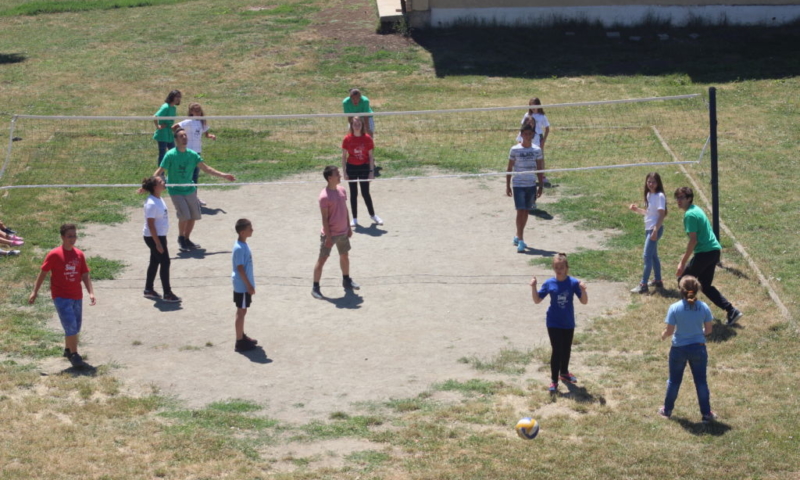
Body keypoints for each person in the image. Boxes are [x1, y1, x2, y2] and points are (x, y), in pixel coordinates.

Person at [153, 125, 235, 252]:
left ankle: (187, 239)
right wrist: (148, 186)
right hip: (176, 190)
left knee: (194, 215)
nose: (184, 137)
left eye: (185, 135)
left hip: (190, 189)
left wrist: (224, 175)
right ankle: (181, 238)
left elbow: (207, 169)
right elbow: (159, 172)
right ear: (176, 139)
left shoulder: (192, 155)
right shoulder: (170, 155)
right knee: (184, 215)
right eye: (181, 136)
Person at [28, 224, 96, 368]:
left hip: (76, 295)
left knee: (76, 326)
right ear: (62, 237)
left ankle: (67, 349)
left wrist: (90, 292)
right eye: (69, 236)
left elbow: (85, 274)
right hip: (61, 296)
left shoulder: (79, 254)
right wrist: (35, 291)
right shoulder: (54, 254)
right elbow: (43, 273)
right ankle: (75, 354)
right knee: (70, 325)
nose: (73, 239)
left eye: (74, 235)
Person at [674, 187, 743, 326]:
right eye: (677, 197)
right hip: (714, 251)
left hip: (705, 253)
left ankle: (690, 314)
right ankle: (731, 311)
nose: (678, 200)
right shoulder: (696, 209)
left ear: (689, 198)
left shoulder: (690, 215)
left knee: (683, 280)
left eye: (682, 197)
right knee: (705, 285)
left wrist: (682, 262)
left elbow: (693, 240)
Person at [658, 275, 717, 423]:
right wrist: (698, 333)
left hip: (678, 349)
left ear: (681, 290)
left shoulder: (674, 308)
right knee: (701, 382)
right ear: (697, 290)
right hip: (698, 348)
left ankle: (667, 410)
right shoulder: (704, 307)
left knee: (674, 381)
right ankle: (706, 414)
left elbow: (670, 331)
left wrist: (663, 335)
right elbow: (709, 330)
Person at [530, 253, 588, 393]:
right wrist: (533, 287)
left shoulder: (573, 283)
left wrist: (583, 290)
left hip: (568, 321)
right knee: (557, 350)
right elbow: (537, 300)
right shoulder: (549, 283)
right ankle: (554, 381)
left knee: (566, 348)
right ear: (553, 268)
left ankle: (564, 372)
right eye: (556, 267)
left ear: (566, 268)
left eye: (561, 267)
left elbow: (584, 301)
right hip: (553, 321)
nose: (559, 270)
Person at [312, 166, 359, 299]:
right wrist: (328, 237)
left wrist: (349, 227)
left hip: (343, 232)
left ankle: (346, 279)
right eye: (337, 174)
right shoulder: (324, 196)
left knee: (344, 255)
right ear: (330, 178)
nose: (340, 175)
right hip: (330, 234)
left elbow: (345, 209)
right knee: (322, 259)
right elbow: (324, 218)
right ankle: (315, 287)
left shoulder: (342, 190)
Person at [141, 176, 181, 303]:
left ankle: (148, 289)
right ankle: (167, 293)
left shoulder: (158, 198)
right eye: (160, 182)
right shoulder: (151, 204)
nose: (164, 182)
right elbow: (151, 225)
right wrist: (157, 243)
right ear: (155, 187)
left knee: (155, 262)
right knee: (165, 262)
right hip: (154, 237)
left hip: (159, 236)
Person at [506, 123, 544, 253]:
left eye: (530, 134)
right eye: (525, 134)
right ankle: (521, 240)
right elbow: (509, 168)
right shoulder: (514, 149)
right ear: (521, 135)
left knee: (526, 211)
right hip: (518, 185)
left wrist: (540, 185)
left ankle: (518, 236)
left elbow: (540, 168)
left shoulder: (537, 150)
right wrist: (507, 185)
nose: (528, 136)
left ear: (533, 135)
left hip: (531, 184)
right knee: (520, 211)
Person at [629, 172, 667, 294]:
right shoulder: (649, 195)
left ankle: (643, 285)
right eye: (649, 181)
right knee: (653, 256)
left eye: (653, 182)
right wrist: (637, 210)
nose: (651, 184)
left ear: (658, 183)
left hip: (654, 229)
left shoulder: (660, 196)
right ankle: (658, 280)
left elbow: (661, 215)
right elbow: (649, 213)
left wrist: (655, 230)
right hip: (649, 228)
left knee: (646, 256)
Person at [341, 116, 383, 228]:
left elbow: (371, 156)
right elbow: (344, 157)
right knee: (353, 193)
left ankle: (373, 215)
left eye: (359, 124)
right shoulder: (347, 139)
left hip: (364, 167)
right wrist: (344, 172)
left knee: (365, 193)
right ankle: (354, 218)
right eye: (355, 124)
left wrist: (371, 171)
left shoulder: (367, 138)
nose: (357, 126)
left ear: (362, 125)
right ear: (351, 125)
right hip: (351, 168)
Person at [178, 103, 216, 207]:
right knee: (187, 175)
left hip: (197, 152)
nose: (198, 112)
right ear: (191, 112)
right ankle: (185, 197)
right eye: (196, 111)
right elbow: (175, 127)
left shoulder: (201, 122)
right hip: (188, 152)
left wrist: (211, 136)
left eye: (199, 110)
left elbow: (206, 134)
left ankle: (194, 198)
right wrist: (181, 137)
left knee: (195, 175)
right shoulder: (187, 122)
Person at [232, 218, 259, 352]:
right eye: (250, 229)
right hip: (242, 286)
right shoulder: (239, 248)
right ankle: (239, 342)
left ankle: (241, 336)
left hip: (243, 285)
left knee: (243, 310)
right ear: (242, 232)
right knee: (241, 312)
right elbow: (240, 268)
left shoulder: (243, 244)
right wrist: (248, 285)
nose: (252, 230)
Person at [516, 98, 551, 187]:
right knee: (527, 156)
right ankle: (526, 175)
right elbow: (522, 127)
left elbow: (547, 128)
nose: (533, 107)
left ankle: (542, 176)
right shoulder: (527, 115)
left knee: (540, 157)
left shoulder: (542, 116)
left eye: (534, 105)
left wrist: (543, 141)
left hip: (538, 138)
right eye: (531, 105)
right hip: (528, 137)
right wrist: (520, 139)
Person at [153, 90, 182, 167]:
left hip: (170, 134)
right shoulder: (165, 107)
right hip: (163, 134)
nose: (178, 98)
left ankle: (174, 169)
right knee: (162, 154)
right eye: (177, 96)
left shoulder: (173, 108)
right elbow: (155, 117)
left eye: (179, 97)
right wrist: (158, 126)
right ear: (172, 97)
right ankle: (160, 173)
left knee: (174, 152)